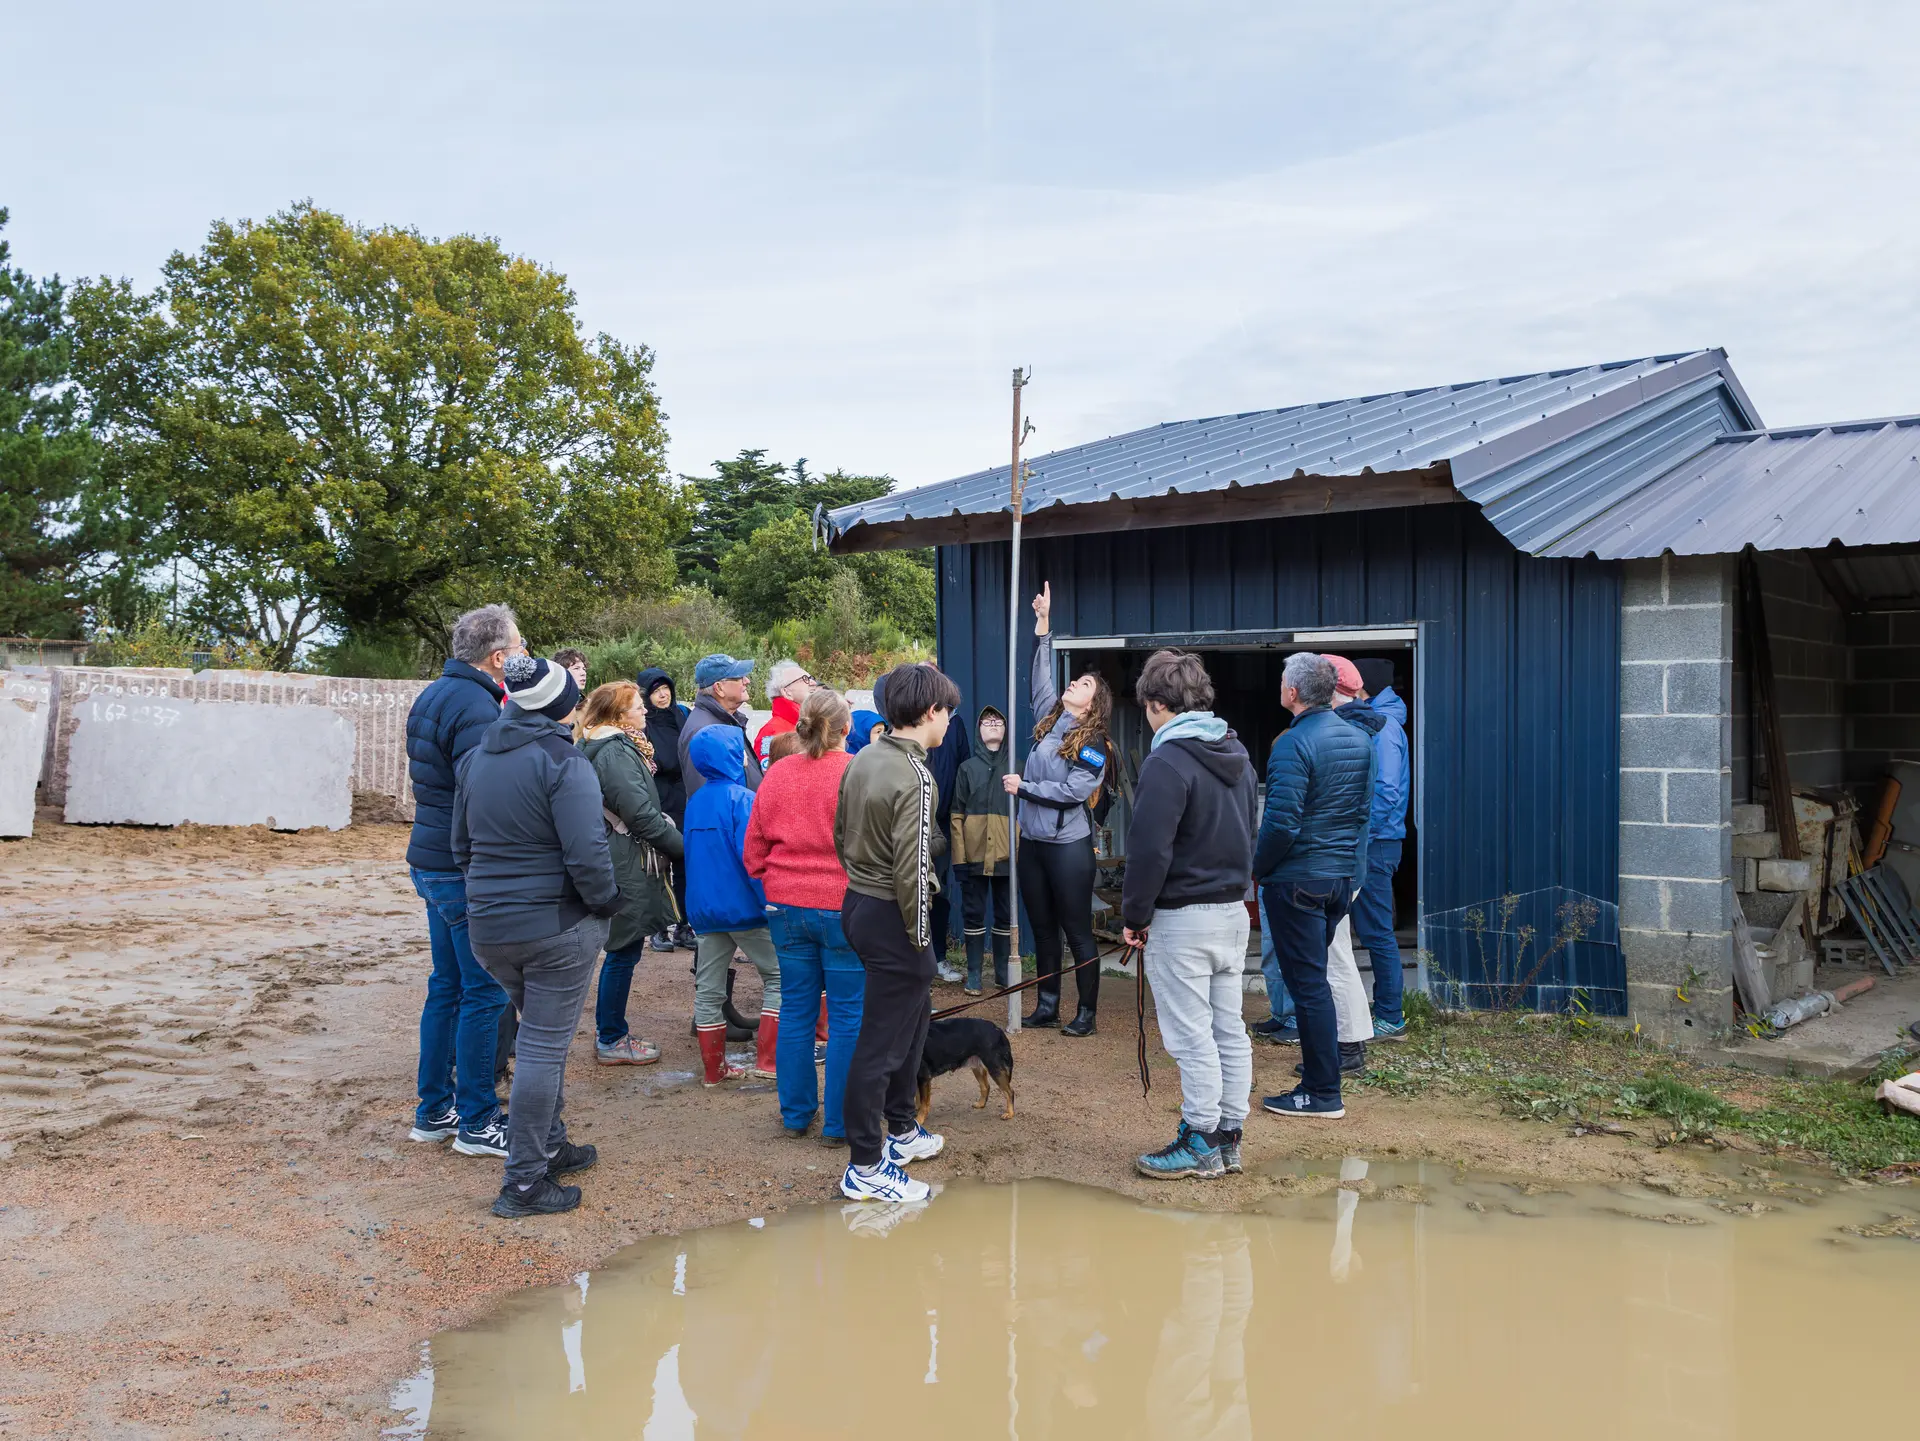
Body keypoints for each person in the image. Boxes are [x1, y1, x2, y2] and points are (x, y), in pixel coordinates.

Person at [452, 655, 623, 1217]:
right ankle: (524, 1181)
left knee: (537, 1039)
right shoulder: (564, 761)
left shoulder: (477, 758)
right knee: (542, 1048)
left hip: (490, 926)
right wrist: (605, 904)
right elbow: (587, 853)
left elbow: (461, 847)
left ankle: (549, 1144)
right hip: (554, 925)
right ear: (561, 706)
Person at [1121, 650, 1258, 1180]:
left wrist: (1135, 915)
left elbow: (1149, 850)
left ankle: (1201, 1138)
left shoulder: (1167, 761)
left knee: (1192, 1036)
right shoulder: (1237, 753)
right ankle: (1228, 1137)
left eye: (1147, 707)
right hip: (1231, 912)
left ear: (1158, 704)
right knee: (1228, 1029)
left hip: (1183, 918)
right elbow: (1250, 830)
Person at [834, 661, 959, 1203]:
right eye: (948, 712)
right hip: (895, 914)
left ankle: (902, 1129)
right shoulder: (916, 775)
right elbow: (914, 865)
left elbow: (840, 833)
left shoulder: (865, 755)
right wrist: (921, 938)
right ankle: (865, 1164)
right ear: (931, 712)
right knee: (881, 1044)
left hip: (861, 902)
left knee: (913, 1022)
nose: (949, 722)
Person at [403, 603, 519, 1157]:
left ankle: (434, 1110)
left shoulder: (435, 693)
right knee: (482, 991)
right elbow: (481, 793)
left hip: (431, 858)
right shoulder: (476, 706)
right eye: (517, 647)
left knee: (447, 985)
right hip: (458, 866)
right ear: (497, 657)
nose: (521, 655)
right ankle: (477, 1119)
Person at [1252, 652, 1373, 1120]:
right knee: (1315, 982)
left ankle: (1321, 1092)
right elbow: (1361, 814)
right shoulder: (1359, 738)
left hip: (1298, 880)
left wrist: (1259, 869)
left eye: (1283, 680)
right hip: (1338, 878)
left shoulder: (1292, 743)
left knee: (1308, 988)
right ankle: (1323, 1084)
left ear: (1293, 692)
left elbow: (1280, 823)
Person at [744, 687, 863, 1142]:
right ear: (847, 728)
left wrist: (776, 879)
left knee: (795, 1009)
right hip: (843, 905)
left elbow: (753, 849)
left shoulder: (777, 773)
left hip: (786, 906)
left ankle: (795, 1116)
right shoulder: (856, 771)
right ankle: (840, 1123)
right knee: (848, 1015)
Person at [1002, 582, 1112, 1036]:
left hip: (1068, 847)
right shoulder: (1050, 719)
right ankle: (1046, 1005)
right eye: (1076, 680)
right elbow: (1040, 676)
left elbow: (1073, 791)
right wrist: (1043, 625)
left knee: (1076, 931)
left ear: (1094, 703)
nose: (1073, 684)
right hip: (1033, 843)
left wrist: (1025, 788)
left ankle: (1086, 1013)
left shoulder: (1094, 742)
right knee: (1043, 929)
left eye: (1084, 684)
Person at [578, 681, 683, 1066]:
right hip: (625, 858)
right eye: (638, 707)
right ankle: (611, 1037)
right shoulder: (614, 752)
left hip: (620, 852)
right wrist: (683, 848)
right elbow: (639, 814)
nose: (645, 711)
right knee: (623, 949)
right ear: (619, 715)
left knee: (624, 947)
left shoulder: (605, 745)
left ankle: (611, 1033)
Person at [683, 725, 782, 1085]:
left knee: (709, 989)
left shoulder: (695, 802)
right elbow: (752, 859)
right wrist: (769, 901)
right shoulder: (743, 799)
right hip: (744, 908)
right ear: (731, 756)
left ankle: (714, 1071)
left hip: (705, 911)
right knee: (779, 977)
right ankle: (769, 1062)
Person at [1351, 657, 1410, 1039]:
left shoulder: (1384, 727)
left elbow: (1386, 792)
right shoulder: (1379, 720)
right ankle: (1383, 1008)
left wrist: (1361, 835)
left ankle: (1390, 1016)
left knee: (1376, 932)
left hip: (1377, 842)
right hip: (1377, 840)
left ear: (1364, 685)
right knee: (1372, 930)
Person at [948, 705, 1013, 995]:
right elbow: (956, 816)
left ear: (1006, 729)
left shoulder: (1016, 767)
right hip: (973, 855)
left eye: (998, 721)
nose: (993, 724)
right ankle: (974, 973)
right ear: (978, 730)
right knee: (973, 913)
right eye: (987, 722)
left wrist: (1020, 853)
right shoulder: (967, 769)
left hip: (1007, 856)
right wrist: (959, 859)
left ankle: (1002, 973)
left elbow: (1025, 815)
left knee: (1005, 913)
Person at [637, 666, 695, 952]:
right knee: (658, 866)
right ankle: (659, 927)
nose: (662, 695)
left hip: (683, 798)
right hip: (657, 800)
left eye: (665, 689)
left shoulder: (681, 715)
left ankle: (684, 925)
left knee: (685, 865)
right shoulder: (641, 724)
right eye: (655, 691)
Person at [681, 654, 764, 800]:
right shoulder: (703, 732)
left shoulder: (725, 719)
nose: (747, 681)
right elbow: (709, 800)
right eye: (739, 677)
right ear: (719, 688)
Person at [754, 659, 818, 767]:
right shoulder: (772, 731)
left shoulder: (811, 724)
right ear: (787, 692)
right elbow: (769, 775)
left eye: (811, 678)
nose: (813, 683)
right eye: (805, 679)